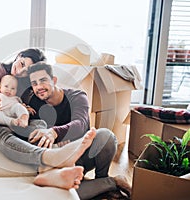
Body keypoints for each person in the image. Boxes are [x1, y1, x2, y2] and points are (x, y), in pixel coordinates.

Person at [0, 48, 95, 190]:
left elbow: (17, 106)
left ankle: (50, 173)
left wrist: (25, 110)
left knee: (39, 125)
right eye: (22, 64)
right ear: (18, 56)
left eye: (25, 71)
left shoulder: (22, 84)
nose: (19, 71)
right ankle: (51, 158)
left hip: (4, 121)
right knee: (1, 134)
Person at [22, 62, 132, 199]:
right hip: (59, 164)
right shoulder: (34, 103)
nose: (39, 87)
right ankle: (109, 184)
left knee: (106, 136)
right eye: (34, 83)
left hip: (82, 156)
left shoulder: (77, 96)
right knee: (58, 194)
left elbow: (80, 123)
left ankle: (101, 178)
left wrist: (54, 132)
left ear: (54, 80)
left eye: (43, 80)